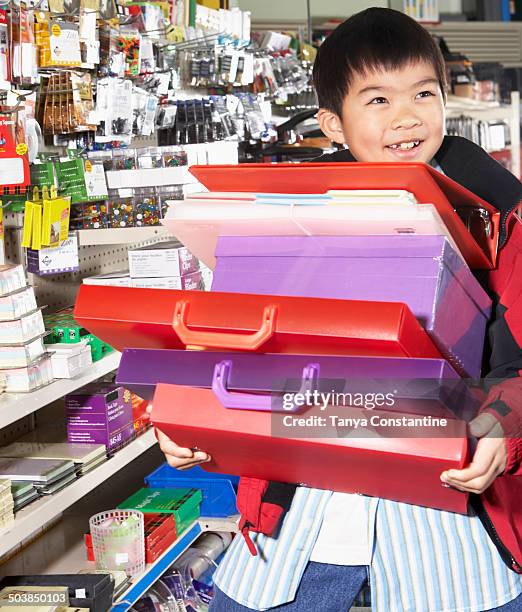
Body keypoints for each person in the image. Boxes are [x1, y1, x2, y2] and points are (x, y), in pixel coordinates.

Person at [155, 8, 522, 611]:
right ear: (332, 122)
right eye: (377, 100)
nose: (406, 117)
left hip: (450, 530)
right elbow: (236, 346)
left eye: (423, 93)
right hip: (299, 523)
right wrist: (192, 421)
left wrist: (502, 429)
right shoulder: (286, 221)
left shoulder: (499, 223)